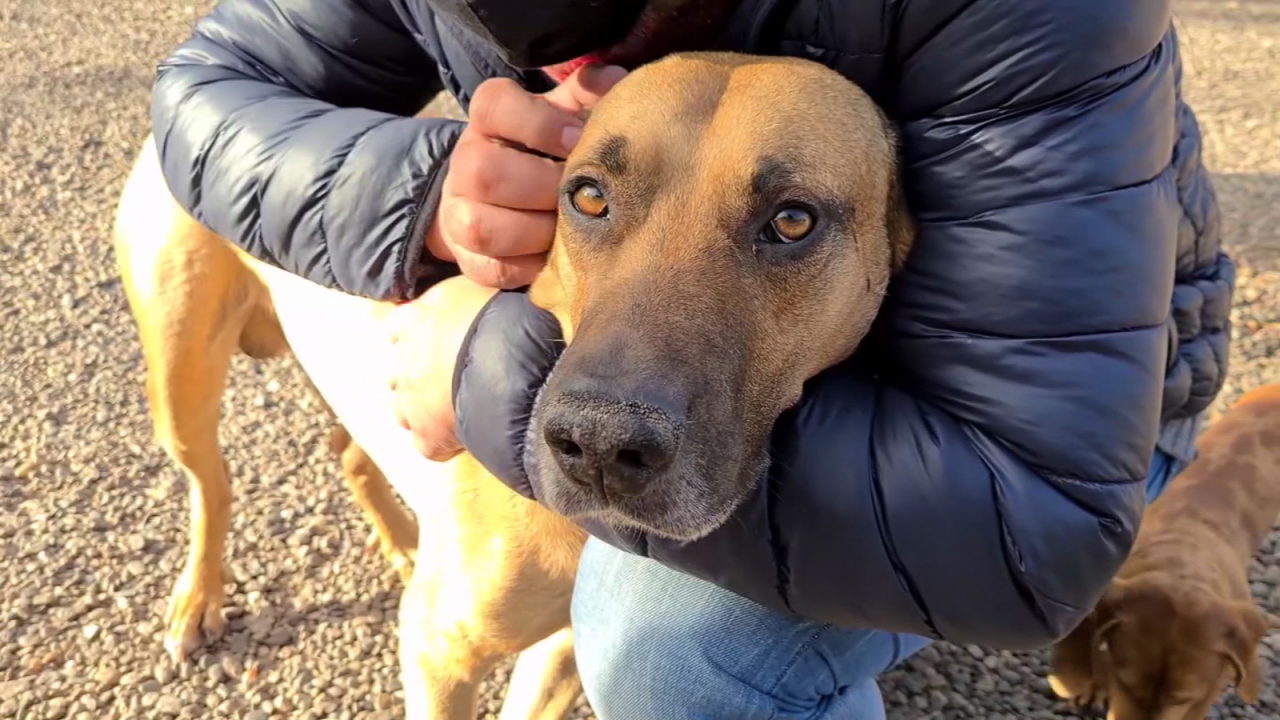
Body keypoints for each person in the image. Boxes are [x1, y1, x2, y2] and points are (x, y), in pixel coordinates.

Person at [149, 0, 1233, 717]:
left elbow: (1025, 526)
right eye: (594, 197)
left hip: (1072, 414)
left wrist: (490, 364)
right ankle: (205, 524)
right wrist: (424, 190)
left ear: (901, 246)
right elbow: (209, 89)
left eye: (791, 225)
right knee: (191, 447)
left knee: (663, 637)